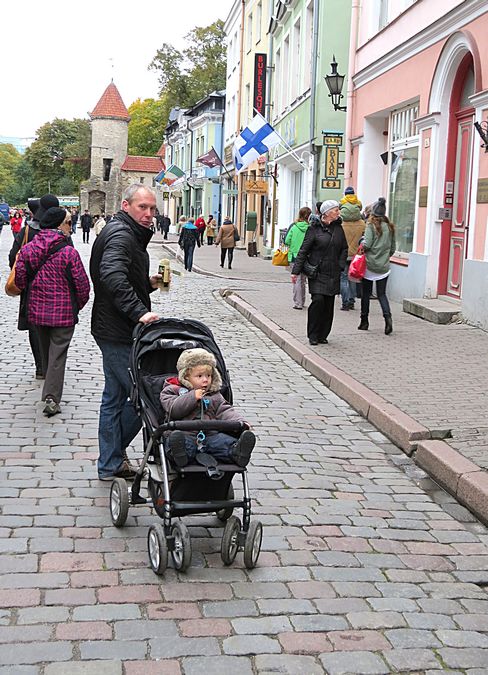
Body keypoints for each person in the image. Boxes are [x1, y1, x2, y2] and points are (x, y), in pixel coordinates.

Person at [90, 184, 161, 481]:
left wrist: (147, 284)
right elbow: (111, 274)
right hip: (119, 331)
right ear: (126, 205)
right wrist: (139, 312)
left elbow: (123, 277)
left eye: (152, 208)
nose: (148, 214)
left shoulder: (127, 232)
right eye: (142, 207)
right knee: (143, 397)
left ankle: (110, 463)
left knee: (114, 396)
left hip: (112, 327)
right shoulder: (121, 234)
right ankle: (111, 458)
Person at [15, 207, 90, 416]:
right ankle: (51, 397)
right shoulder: (68, 252)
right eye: (68, 222)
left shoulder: (28, 250)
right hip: (63, 314)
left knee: (47, 350)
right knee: (57, 355)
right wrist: (75, 305)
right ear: (58, 225)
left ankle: (49, 388)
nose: (70, 227)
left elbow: (20, 279)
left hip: (37, 313)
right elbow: (83, 286)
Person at [160, 348, 256, 468]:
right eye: (199, 376)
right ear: (186, 377)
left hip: (210, 436)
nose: (205, 380)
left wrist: (240, 422)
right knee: (180, 443)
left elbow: (225, 410)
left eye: (209, 376)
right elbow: (174, 409)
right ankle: (181, 455)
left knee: (224, 442)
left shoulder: (214, 395)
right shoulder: (172, 390)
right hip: (185, 434)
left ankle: (237, 452)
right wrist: (192, 397)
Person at [9, 194, 60, 379]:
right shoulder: (61, 232)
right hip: (57, 290)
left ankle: (40, 366)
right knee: (56, 328)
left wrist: (23, 280)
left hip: (31, 288)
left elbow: (13, 257)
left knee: (34, 328)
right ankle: (53, 364)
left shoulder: (27, 232)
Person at [291, 200, 348, 346]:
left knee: (329, 305)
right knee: (318, 301)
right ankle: (313, 334)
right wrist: (295, 271)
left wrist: (341, 264)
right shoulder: (313, 229)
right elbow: (304, 250)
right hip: (318, 272)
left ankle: (323, 334)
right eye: (336, 210)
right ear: (327, 213)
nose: (338, 212)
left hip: (333, 272)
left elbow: (344, 248)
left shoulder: (338, 229)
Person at [358, 197, 396, 335]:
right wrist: (384, 257)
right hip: (384, 267)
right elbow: (392, 248)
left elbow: (367, 244)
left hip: (369, 265)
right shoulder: (390, 227)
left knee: (366, 294)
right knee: (382, 294)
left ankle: (364, 321)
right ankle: (388, 319)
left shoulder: (370, 226)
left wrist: (362, 244)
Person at [339, 189, 365, 311]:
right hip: (356, 254)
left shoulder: (341, 223)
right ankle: (352, 300)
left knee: (343, 277)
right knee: (352, 277)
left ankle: (345, 302)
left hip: (343, 253)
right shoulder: (362, 223)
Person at [285, 206, 311, 310]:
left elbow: (287, 241)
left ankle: (298, 303)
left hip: (295, 256)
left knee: (296, 280)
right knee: (303, 280)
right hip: (307, 256)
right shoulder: (310, 228)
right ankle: (303, 301)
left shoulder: (294, 227)